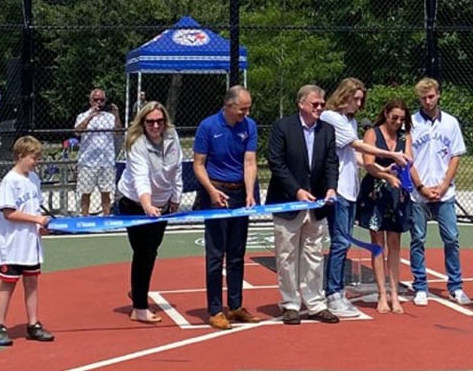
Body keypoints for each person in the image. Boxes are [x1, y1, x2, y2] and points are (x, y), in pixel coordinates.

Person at [318, 78, 408, 318]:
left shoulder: (349, 120)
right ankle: (333, 292)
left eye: (360, 99)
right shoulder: (332, 118)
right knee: (340, 242)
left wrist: (380, 169)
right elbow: (359, 145)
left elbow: (355, 156)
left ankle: (337, 291)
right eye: (355, 98)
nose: (358, 104)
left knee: (344, 241)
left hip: (350, 188)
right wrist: (390, 155)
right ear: (344, 96)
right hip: (336, 188)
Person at [266, 84, 340, 325]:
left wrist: (331, 188)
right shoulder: (282, 128)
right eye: (315, 104)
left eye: (322, 104)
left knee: (314, 253)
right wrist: (296, 191)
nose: (319, 108)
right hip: (288, 203)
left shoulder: (327, 130)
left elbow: (331, 162)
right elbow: (276, 163)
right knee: (286, 255)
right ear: (301, 104)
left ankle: (316, 303)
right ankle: (290, 304)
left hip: (317, 205)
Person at [192, 85, 262, 330]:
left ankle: (235, 305)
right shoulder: (208, 127)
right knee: (215, 254)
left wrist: (251, 192)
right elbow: (198, 165)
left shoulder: (249, 126)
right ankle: (214, 309)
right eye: (242, 109)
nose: (246, 113)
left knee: (236, 252)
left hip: (240, 193)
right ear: (229, 105)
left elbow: (250, 161)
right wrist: (212, 191)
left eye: (248, 108)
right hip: (215, 193)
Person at [116, 101, 182, 325]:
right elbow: (140, 177)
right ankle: (140, 307)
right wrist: (146, 205)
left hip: (162, 203)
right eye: (150, 122)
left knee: (151, 251)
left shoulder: (172, 137)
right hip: (135, 203)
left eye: (159, 121)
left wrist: (176, 197)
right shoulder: (137, 144)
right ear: (143, 123)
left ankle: (138, 291)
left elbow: (177, 169)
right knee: (143, 252)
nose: (155, 125)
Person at [407, 77, 471, 306]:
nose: (428, 101)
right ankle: (420, 286)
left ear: (438, 95)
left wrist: (443, 185)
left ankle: (456, 285)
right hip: (419, 193)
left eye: (431, 96)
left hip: (445, 193)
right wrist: (421, 187)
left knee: (451, 238)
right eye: (423, 98)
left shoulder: (451, 123)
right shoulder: (411, 123)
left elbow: (455, 155)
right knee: (418, 239)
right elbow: (408, 159)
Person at [0, 136, 54, 347]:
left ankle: (33, 323)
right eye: (33, 157)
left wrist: (41, 226)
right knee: (8, 284)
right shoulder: (10, 181)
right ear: (20, 156)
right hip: (13, 245)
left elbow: (35, 209)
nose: (36, 161)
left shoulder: (34, 178)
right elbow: (9, 212)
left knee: (32, 283)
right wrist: (36, 219)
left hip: (31, 245)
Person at [358, 98, 414, 313]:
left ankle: (394, 293)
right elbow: (368, 163)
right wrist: (385, 173)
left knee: (395, 243)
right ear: (386, 114)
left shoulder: (404, 136)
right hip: (376, 190)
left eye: (401, 119)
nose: (398, 122)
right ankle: (382, 293)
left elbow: (409, 159)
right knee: (378, 244)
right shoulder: (373, 133)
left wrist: (401, 167)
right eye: (394, 118)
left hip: (397, 192)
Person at [74, 89, 118, 217]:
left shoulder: (109, 117)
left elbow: (118, 131)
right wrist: (90, 116)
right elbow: (77, 132)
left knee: (106, 192)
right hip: (88, 160)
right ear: (90, 101)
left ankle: (106, 216)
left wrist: (116, 114)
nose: (99, 102)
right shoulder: (82, 116)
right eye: (96, 100)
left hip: (106, 160)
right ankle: (85, 217)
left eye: (102, 100)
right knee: (85, 192)